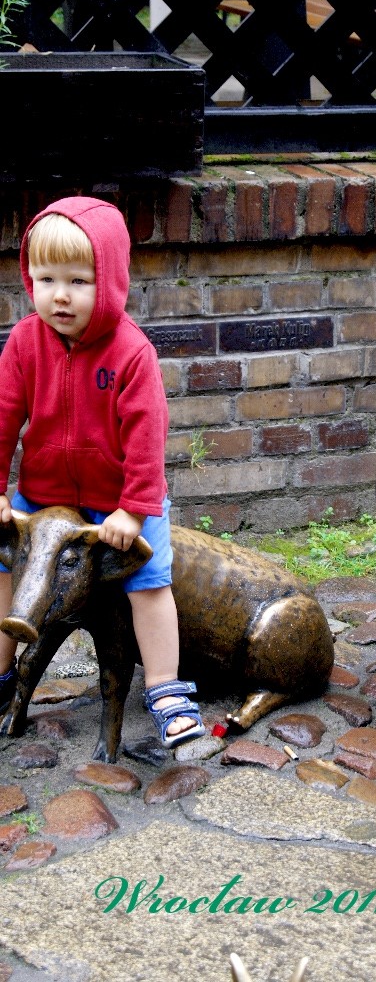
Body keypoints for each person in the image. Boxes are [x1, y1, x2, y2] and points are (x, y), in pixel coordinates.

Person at [0, 196, 205, 748]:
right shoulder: (24, 343)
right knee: (1, 565)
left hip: (119, 501)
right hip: (42, 494)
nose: (59, 295)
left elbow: (146, 437)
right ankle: (0, 671)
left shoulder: (131, 353)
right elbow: (2, 417)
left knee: (149, 581)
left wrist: (135, 510)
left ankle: (165, 687)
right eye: (45, 279)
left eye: (78, 281)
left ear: (110, 280)